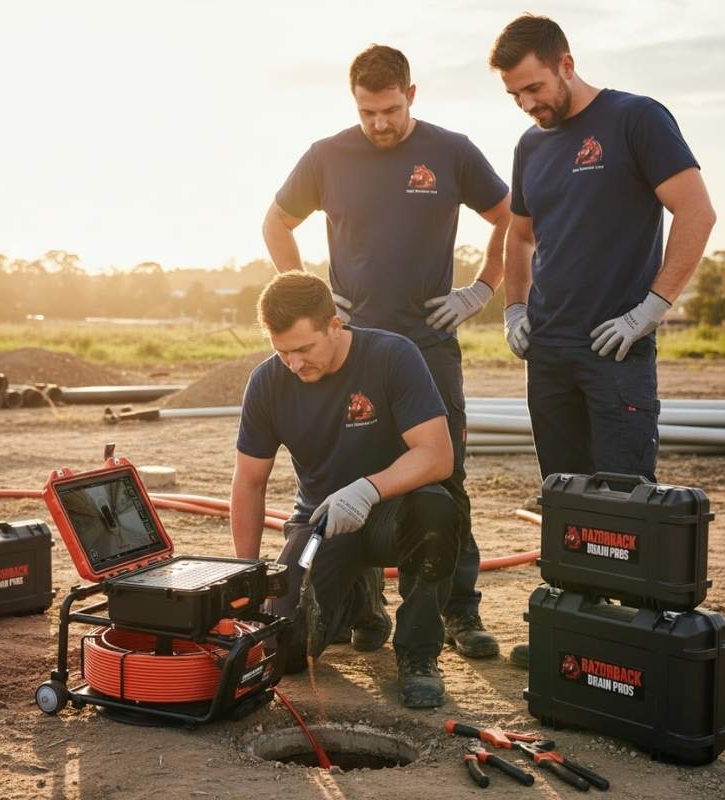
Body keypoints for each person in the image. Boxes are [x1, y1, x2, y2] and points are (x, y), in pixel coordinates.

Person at [262, 44, 511, 659]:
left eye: (391, 110)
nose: (379, 123)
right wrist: (312, 296)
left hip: (428, 343)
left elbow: (511, 216)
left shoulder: (450, 151)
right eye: (367, 112)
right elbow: (276, 223)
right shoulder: (327, 156)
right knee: (349, 471)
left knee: (444, 477)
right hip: (350, 348)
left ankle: (459, 611)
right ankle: (364, 602)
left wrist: (482, 289)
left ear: (411, 96)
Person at [488, 14, 717, 667]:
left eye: (534, 87)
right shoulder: (531, 146)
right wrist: (513, 307)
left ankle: (635, 641)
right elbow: (520, 236)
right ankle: (571, 632)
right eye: (514, 95)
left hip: (616, 348)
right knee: (565, 499)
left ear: (565, 63)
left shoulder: (635, 119)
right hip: (549, 350)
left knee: (624, 499)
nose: (527, 104)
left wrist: (653, 308)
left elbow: (697, 211)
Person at [230, 271, 462, 708]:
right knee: (287, 651)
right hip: (321, 522)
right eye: (282, 352)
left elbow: (436, 455)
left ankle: (418, 654)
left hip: (395, 512)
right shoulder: (267, 383)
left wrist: (368, 489)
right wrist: (248, 575)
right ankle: (361, 601)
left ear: (334, 325)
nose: (294, 364)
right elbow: (249, 481)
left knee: (437, 511)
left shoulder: (392, 356)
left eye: (304, 349)